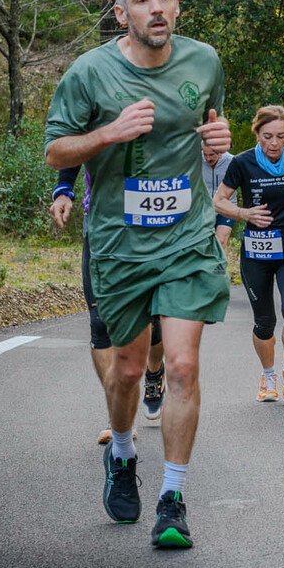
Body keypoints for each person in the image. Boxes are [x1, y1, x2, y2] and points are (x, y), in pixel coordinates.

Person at [44, 0, 231, 550]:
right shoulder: (89, 73)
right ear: (121, 11)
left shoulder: (204, 61)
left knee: (181, 365)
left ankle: (173, 499)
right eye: (142, 0)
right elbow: (55, 151)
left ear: (178, 6)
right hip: (120, 243)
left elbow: (212, 129)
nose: (156, 9)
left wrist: (217, 141)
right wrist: (109, 133)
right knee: (126, 369)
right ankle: (122, 453)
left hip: (187, 237)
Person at [52, 168, 166, 445]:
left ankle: (154, 372)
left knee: (150, 319)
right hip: (100, 220)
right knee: (100, 322)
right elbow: (74, 145)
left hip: (148, 220)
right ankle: (119, 416)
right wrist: (64, 190)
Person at [214, 106, 284, 407]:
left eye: (281, 136)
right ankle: (268, 376)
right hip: (256, 253)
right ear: (257, 133)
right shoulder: (243, 163)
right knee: (264, 322)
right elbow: (219, 201)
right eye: (268, 136)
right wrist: (244, 213)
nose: (274, 143)